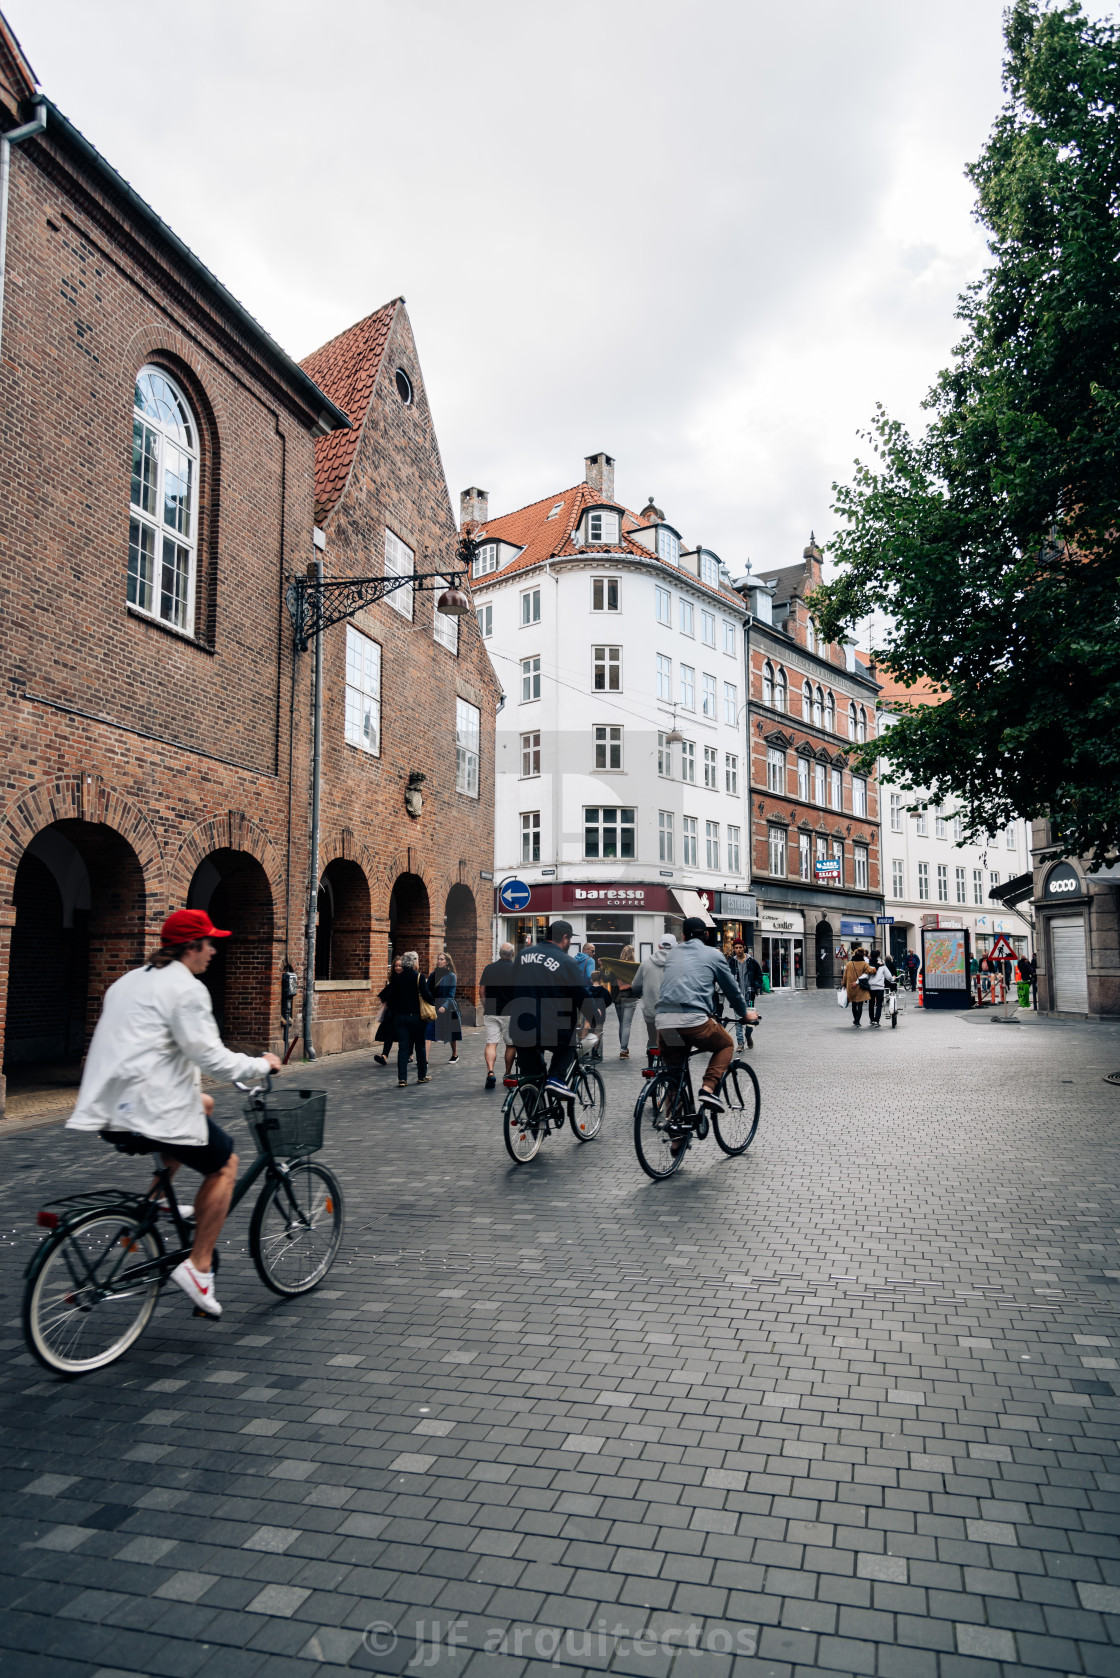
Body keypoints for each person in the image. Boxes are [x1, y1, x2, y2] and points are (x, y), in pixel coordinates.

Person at [66, 908, 281, 1319]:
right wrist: (260, 1065)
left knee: (204, 1105)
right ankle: (199, 1268)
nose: (213, 950)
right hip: (149, 1110)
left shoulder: (130, 980)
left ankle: (157, 1198)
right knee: (225, 1165)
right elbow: (210, 1057)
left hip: (111, 1106)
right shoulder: (185, 988)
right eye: (209, 942)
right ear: (190, 946)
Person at [655, 918, 756, 1117]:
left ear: (682, 936)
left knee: (674, 1077)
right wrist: (745, 1013)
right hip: (694, 1022)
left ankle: (676, 1137)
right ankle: (708, 1089)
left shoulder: (672, 954)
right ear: (707, 935)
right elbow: (732, 990)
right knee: (726, 1044)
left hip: (665, 1023)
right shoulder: (713, 955)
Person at [506, 921, 595, 1100]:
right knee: (568, 1046)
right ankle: (556, 1079)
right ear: (564, 938)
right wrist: (594, 1015)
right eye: (569, 939)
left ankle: (533, 1119)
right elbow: (581, 994)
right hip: (554, 1026)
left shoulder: (523, 955)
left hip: (522, 1026)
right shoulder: (567, 961)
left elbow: (510, 987)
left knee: (530, 1076)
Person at [379, 951, 434, 1087]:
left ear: (403, 964)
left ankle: (402, 1079)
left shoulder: (397, 978)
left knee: (403, 1048)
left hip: (399, 1017)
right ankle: (422, 1076)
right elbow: (427, 996)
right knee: (420, 1046)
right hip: (416, 1017)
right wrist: (433, 1002)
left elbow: (387, 996)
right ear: (414, 963)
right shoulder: (419, 977)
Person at [630, 934, 676, 1063]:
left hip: (651, 1011)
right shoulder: (678, 964)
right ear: (674, 947)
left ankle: (651, 1071)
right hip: (671, 1014)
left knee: (653, 1040)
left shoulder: (646, 962)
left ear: (659, 946)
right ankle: (673, 1072)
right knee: (674, 1044)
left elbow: (635, 986)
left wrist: (642, 995)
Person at [479, 941, 517, 1090]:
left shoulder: (489, 968)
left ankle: (490, 1072)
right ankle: (507, 1074)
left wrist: (486, 1006)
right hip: (510, 1012)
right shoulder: (516, 970)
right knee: (510, 1044)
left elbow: (482, 991)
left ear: (499, 953)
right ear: (512, 954)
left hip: (491, 1011)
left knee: (491, 1043)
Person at [427, 950, 462, 1063]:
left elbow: (451, 994)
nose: (439, 961)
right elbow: (427, 991)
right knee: (428, 1032)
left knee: (451, 1032)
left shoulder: (451, 976)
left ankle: (455, 1054)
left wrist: (444, 1006)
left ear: (447, 962)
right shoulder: (433, 975)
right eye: (438, 959)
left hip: (447, 1007)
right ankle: (425, 1059)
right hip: (433, 1007)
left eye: (441, 959)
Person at [374, 956, 404, 1067]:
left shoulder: (406, 980)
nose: (397, 968)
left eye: (400, 966)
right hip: (392, 1013)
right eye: (396, 966)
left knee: (403, 1035)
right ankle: (384, 1056)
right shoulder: (393, 980)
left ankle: (408, 1055)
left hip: (403, 1012)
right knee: (389, 1034)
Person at [610, 944, 639, 1059]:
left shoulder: (617, 966)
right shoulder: (635, 966)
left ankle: (623, 1048)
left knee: (622, 1024)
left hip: (618, 997)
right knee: (626, 1024)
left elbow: (610, 979)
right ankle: (623, 1049)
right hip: (630, 996)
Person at [843, 944, 873, 1026]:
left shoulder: (849, 964)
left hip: (851, 986)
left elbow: (845, 975)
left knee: (853, 1003)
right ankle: (857, 1020)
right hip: (861, 986)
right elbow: (870, 971)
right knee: (860, 1004)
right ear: (863, 955)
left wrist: (843, 984)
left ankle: (855, 1019)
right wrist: (875, 968)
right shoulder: (864, 964)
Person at [866, 948, 890, 1027]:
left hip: (871, 987)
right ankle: (877, 1020)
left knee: (871, 1004)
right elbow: (888, 976)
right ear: (878, 956)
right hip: (879, 987)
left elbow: (866, 975)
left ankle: (872, 1019)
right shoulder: (882, 965)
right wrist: (892, 979)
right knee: (879, 1004)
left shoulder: (868, 965)